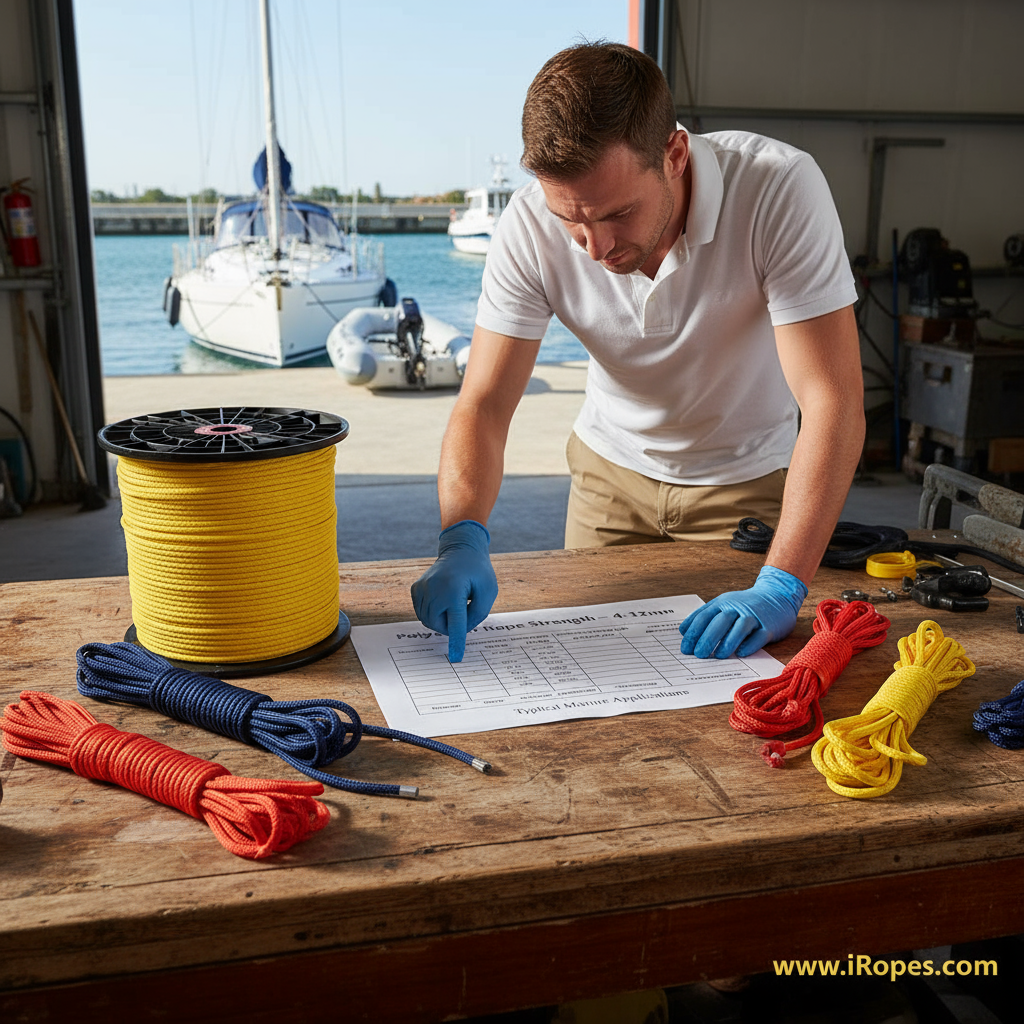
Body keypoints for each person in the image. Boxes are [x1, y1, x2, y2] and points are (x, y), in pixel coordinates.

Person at [412, 42, 864, 663]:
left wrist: (782, 583)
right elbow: (485, 402)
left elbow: (833, 401)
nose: (595, 248)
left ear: (675, 155)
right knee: (595, 664)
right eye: (571, 220)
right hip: (608, 475)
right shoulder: (528, 224)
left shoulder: (777, 188)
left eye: (618, 214)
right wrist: (462, 536)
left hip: (744, 481)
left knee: (731, 684)